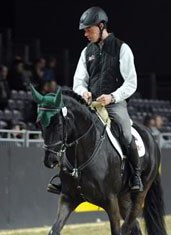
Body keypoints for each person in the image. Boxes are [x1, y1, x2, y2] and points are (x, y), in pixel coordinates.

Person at [47, 6, 143, 194]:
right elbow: (78, 81)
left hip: (115, 103)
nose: (86, 34)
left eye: (89, 29)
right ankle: (64, 177)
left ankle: (135, 175)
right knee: (71, 130)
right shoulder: (86, 52)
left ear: (101, 26)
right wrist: (84, 92)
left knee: (125, 131)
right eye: (85, 30)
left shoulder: (122, 49)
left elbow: (132, 83)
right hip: (91, 105)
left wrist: (112, 97)